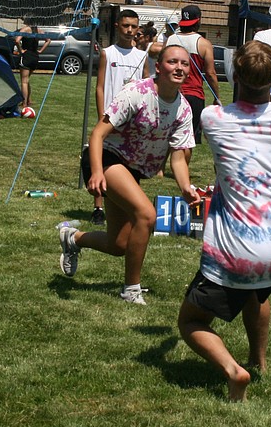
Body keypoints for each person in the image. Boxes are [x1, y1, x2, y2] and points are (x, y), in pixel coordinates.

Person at [177, 40, 271, 402]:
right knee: (257, 291)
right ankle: (259, 362)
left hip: (233, 253)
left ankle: (234, 371)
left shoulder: (212, 118)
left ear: (235, 74)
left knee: (190, 321)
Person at [58, 44, 198, 305]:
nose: (179, 67)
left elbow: (178, 156)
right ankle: (131, 289)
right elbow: (97, 134)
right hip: (104, 159)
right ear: (159, 66)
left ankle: (72, 238)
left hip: (130, 169)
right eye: (172, 62)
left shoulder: (183, 109)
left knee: (119, 245)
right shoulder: (137, 92)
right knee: (146, 214)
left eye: (184, 64)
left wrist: (186, 187)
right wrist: (97, 172)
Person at [92, 8, 148, 224]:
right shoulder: (108, 53)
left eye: (133, 27)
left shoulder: (141, 56)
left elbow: (145, 87)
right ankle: (98, 206)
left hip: (132, 121)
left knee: (131, 162)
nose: (129, 30)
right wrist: (101, 116)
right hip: (110, 118)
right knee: (103, 161)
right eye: (126, 26)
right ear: (118, 27)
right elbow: (100, 86)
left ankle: (129, 207)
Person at [166, 4, 219, 154]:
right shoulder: (203, 43)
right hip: (193, 95)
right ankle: (182, 167)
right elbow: (210, 73)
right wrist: (217, 96)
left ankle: (160, 169)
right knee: (189, 137)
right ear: (199, 20)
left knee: (166, 133)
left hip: (171, 93)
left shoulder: (170, 39)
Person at [14, 17, 49, 112]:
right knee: (27, 80)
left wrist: (21, 50)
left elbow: (17, 40)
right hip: (35, 57)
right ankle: (29, 100)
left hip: (27, 56)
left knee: (24, 81)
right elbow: (48, 40)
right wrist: (41, 51)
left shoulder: (25, 29)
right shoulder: (38, 30)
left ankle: (24, 104)